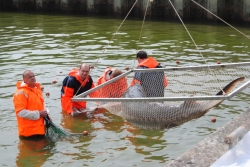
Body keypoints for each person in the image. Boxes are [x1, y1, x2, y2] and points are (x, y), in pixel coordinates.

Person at [13, 70, 49, 138]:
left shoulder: (37, 89)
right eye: (30, 77)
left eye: (33, 76)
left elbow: (42, 105)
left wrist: (48, 115)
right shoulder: (21, 93)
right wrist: (39, 113)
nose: (33, 78)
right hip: (28, 133)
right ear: (24, 80)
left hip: (40, 130)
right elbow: (20, 112)